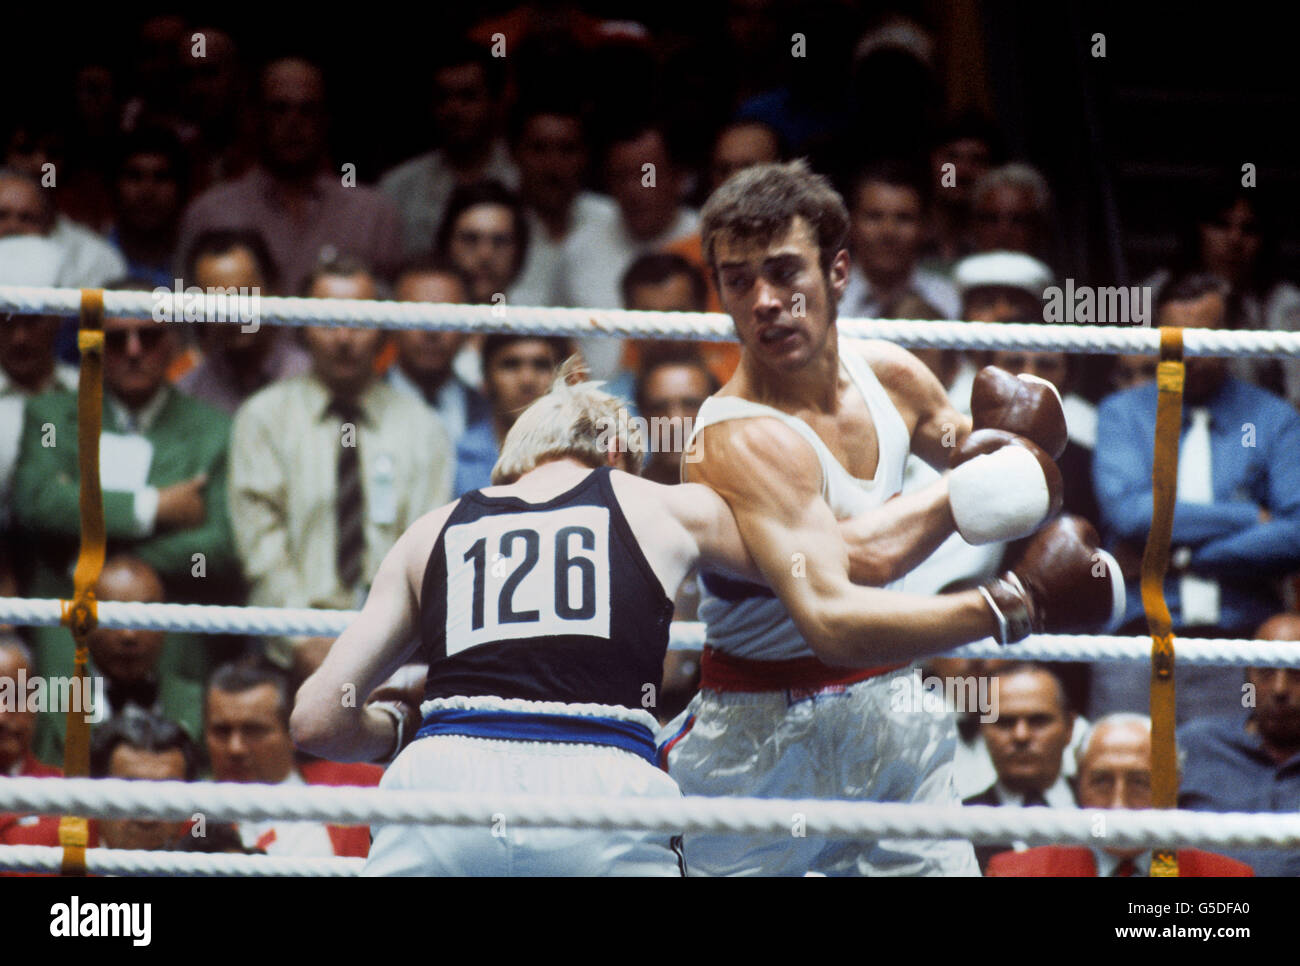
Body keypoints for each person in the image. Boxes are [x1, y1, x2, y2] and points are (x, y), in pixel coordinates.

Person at [291, 362, 1123, 876]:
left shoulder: (430, 530)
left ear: (513, 458)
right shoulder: (661, 506)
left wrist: (403, 729)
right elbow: (839, 562)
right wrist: (977, 492)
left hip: (440, 794)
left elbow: (317, 720)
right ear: (615, 451)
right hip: (599, 793)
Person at [657, 160, 1122, 876]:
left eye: (785, 272)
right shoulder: (735, 437)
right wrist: (1012, 603)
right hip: (760, 737)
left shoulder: (892, 374)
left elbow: (1008, 485)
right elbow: (840, 604)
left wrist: (1028, 450)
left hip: (890, 709)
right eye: (738, 279)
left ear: (838, 273)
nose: (765, 301)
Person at [1091, 273, 1300, 721]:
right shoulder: (1122, 414)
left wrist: (1182, 558)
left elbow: (1295, 532)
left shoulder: (1272, 418)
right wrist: (1247, 517)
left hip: (1238, 642)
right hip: (1136, 637)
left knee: (1226, 778)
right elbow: (1131, 515)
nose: (1188, 351)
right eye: (1174, 337)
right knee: (1121, 772)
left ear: (1234, 336)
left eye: (1204, 335)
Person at [176, 57, 403, 295]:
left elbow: (393, 319)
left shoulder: (373, 215)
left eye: (307, 110)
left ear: (325, 119)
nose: (293, 123)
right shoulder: (211, 213)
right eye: (279, 109)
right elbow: (186, 319)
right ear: (255, 117)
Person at [987, 714, 1252, 877]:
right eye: (1101, 781)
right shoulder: (1015, 873)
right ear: (1079, 786)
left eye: (1140, 783)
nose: (1118, 805)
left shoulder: (1228, 876)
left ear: (1174, 789)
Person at [1177, 612, 1300, 877]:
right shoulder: (1195, 744)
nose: (1279, 689)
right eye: (1266, 673)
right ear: (1248, 680)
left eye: (1296, 673)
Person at [206, 663, 374, 857]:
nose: (235, 748)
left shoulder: (360, 784)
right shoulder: (192, 817)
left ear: (293, 733)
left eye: (253, 730)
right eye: (221, 731)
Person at [962, 663, 1078, 872]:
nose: (1021, 735)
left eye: (1038, 721)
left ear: (1069, 727)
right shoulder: (958, 821)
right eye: (1004, 722)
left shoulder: (1105, 808)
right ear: (983, 730)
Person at [90, 708, 199, 852]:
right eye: (130, 796)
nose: (147, 820)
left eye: (166, 798)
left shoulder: (215, 853)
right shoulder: (52, 855)